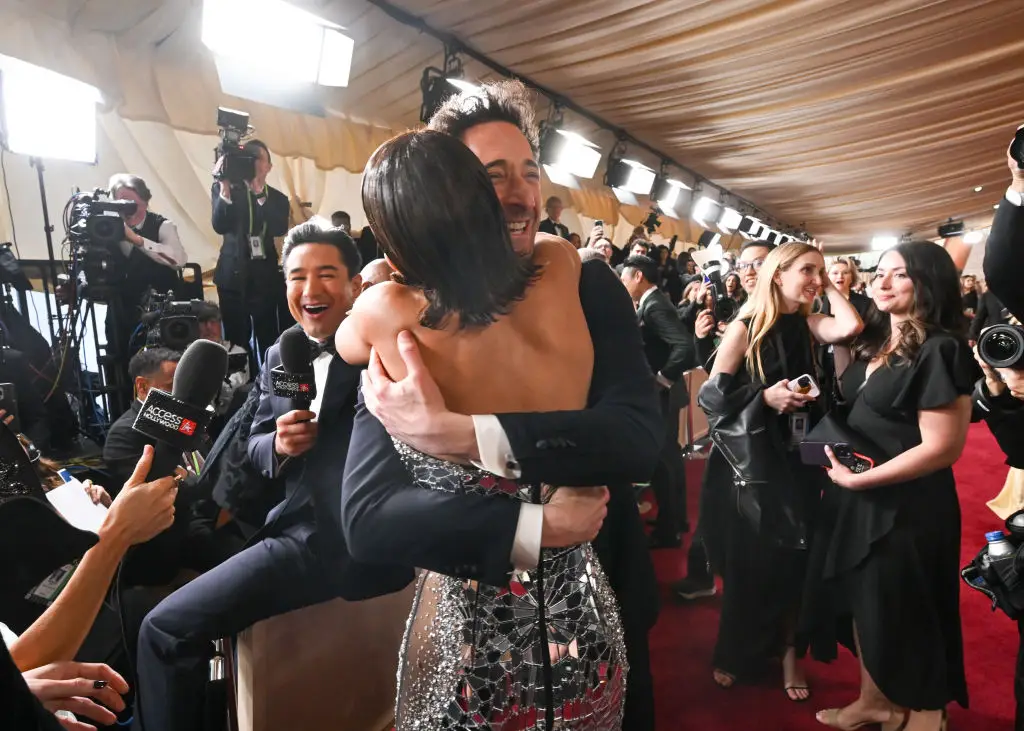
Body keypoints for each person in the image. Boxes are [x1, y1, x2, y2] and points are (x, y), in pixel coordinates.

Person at [341, 80, 662, 731]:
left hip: (603, 598)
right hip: (471, 646)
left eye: (529, 171)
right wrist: (539, 527)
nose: (520, 193)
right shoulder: (564, 263)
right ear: (451, 196)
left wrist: (463, 433)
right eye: (492, 176)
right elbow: (372, 517)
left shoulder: (390, 318)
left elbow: (637, 436)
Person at [133, 221, 413, 731]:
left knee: (165, 630)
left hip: (335, 540)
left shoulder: (387, 350)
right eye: (296, 276)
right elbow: (255, 437)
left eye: (326, 274)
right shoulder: (286, 350)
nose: (310, 290)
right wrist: (279, 447)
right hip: (273, 519)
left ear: (355, 286)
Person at [808, 242, 973, 731]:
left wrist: (863, 481)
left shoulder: (941, 348)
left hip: (907, 504)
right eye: (877, 272)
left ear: (927, 282)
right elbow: (849, 392)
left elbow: (942, 448)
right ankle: (874, 700)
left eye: (897, 274)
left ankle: (925, 713)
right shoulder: (876, 339)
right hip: (858, 494)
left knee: (907, 608)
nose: (880, 282)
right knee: (866, 605)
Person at [700, 242, 862, 701]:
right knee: (751, 560)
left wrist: (826, 283)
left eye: (821, 271)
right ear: (778, 274)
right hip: (754, 462)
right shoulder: (744, 328)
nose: (815, 278)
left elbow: (850, 326)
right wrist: (764, 399)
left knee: (798, 559)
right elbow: (711, 400)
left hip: (804, 457)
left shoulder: (810, 325)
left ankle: (791, 652)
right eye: (806, 270)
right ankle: (735, 650)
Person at [620, 254, 695, 547]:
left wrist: (661, 379)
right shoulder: (655, 302)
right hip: (665, 394)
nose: (623, 283)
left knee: (664, 462)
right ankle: (674, 520)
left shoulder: (653, 306)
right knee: (669, 460)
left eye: (625, 277)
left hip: (662, 395)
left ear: (638, 276)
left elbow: (684, 346)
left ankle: (669, 531)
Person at [106, 174, 187, 415]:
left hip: (158, 309)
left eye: (131, 203)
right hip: (122, 308)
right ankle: (124, 416)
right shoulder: (108, 230)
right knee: (120, 361)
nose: (127, 210)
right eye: (120, 204)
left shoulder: (162, 225)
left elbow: (178, 260)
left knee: (157, 365)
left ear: (145, 201)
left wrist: (138, 240)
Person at [211, 139, 292, 374]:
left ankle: (270, 385)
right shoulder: (223, 190)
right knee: (237, 338)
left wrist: (258, 192)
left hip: (264, 275)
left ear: (268, 166)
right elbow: (219, 225)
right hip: (231, 275)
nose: (254, 163)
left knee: (268, 334)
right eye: (250, 158)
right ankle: (240, 389)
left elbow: (278, 228)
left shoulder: (278, 198)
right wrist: (225, 186)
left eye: (259, 159)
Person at [102, 348, 180, 492]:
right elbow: (159, 494)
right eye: (171, 386)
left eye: (184, 385)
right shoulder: (123, 435)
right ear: (143, 386)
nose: (181, 395)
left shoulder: (185, 419)